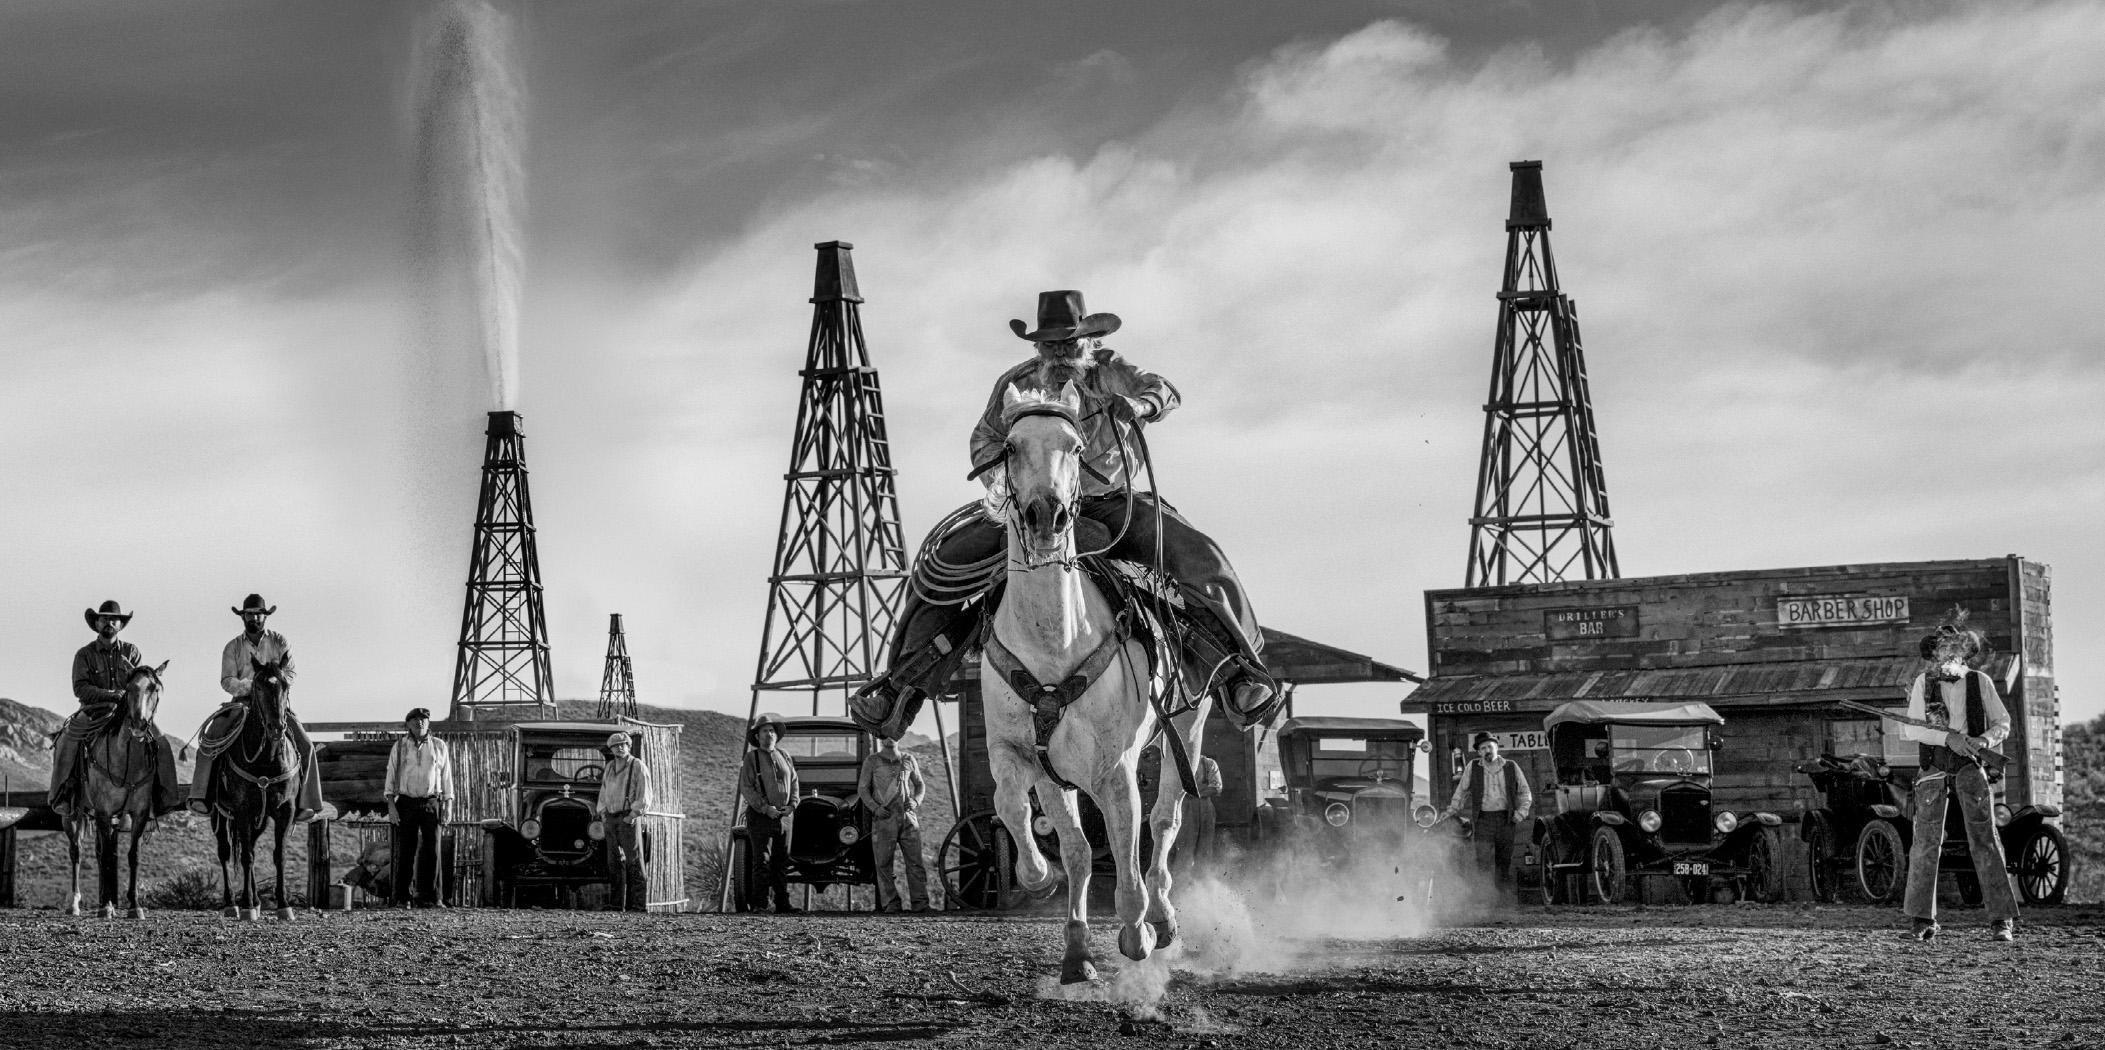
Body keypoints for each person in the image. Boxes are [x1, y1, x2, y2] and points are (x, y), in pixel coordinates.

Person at [852, 290, 1278, 739]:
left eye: (1067, 343)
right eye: (1048, 344)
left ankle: (1239, 674)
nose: (1058, 352)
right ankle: (900, 688)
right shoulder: (1015, 383)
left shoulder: (1111, 371)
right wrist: (1010, 471)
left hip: (1110, 503)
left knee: (1196, 554)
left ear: (1087, 341)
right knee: (942, 569)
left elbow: (1165, 391)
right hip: (1028, 507)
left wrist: (1139, 406)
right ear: (1036, 346)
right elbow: (983, 438)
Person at [1899, 621, 2018, 942]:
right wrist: (1946, 737)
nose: (1946, 655)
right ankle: (1922, 921)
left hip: (1970, 766)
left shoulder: (1980, 682)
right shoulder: (1925, 683)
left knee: (1985, 840)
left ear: (1964, 653)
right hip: (1934, 770)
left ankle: (2001, 920)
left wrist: (1983, 742)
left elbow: (2002, 723)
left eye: (1953, 648)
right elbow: (1910, 729)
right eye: (1942, 649)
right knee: (1925, 844)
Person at [189, 594, 323, 820]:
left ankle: (304, 804)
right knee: (211, 738)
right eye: (249, 614)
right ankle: (202, 796)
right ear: (243, 617)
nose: (254, 617)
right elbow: (227, 680)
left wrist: (272, 683)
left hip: (274, 703)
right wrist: (251, 686)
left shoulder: (280, 641)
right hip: (243, 703)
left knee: (306, 744)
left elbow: (290, 672)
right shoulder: (233, 646)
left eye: (258, 614)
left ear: (265, 617)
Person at [53, 600, 181, 820]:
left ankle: (165, 795)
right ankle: (63, 793)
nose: (109, 623)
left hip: (128, 711)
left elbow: (140, 683)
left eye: (114, 620)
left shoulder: (132, 652)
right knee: (67, 738)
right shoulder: (84, 654)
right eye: (104, 619)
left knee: (161, 741)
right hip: (93, 710)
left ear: (120, 625)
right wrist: (111, 695)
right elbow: (80, 688)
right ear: (97, 624)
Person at [1442, 732, 1533, 909]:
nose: (1486, 750)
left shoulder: (1511, 766)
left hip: (1507, 819)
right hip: (1483, 820)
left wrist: (1521, 813)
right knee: (1482, 860)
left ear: (1496, 747)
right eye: (1482, 748)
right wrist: (1451, 811)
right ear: (1478, 753)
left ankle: (1503, 902)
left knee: (1504, 861)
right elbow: (1462, 791)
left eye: (1489, 746)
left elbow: (1525, 792)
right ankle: (1484, 901)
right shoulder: (1473, 767)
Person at [384, 707, 453, 909]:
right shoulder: (400, 746)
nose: (420, 723)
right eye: (415, 720)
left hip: (431, 801)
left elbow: (446, 776)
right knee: (406, 850)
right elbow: (391, 774)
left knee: (433, 850)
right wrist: (391, 805)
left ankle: (432, 897)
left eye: (423, 720)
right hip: (406, 801)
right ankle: (402, 897)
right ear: (408, 724)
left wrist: (448, 804)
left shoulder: (439, 746)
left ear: (428, 723)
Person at [856, 735, 930, 912]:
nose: (890, 738)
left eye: (894, 735)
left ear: (900, 736)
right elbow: (863, 788)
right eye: (886, 735)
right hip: (884, 819)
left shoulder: (908, 759)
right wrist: (874, 808)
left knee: (915, 863)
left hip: (907, 817)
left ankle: (920, 904)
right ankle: (891, 904)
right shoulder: (872, 761)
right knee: (883, 864)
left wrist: (916, 801)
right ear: (880, 738)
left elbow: (920, 784)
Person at [737, 713, 800, 913]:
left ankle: (783, 904)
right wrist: (765, 808)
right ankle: (760, 904)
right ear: (757, 736)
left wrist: (792, 805)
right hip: (760, 817)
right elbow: (746, 787)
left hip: (784, 817)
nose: (769, 734)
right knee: (761, 861)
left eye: (771, 731)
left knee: (781, 862)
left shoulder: (785, 756)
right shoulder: (751, 758)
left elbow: (794, 782)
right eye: (764, 731)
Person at [597, 731, 653, 913]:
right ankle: (616, 905)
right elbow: (603, 792)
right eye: (616, 745)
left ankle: (637, 906)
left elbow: (645, 795)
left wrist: (633, 815)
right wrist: (603, 813)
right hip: (611, 818)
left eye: (623, 744)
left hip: (628, 817)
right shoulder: (610, 767)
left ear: (629, 746)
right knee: (614, 864)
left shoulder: (637, 766)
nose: (620, 748)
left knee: (635, 862)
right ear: (611, 749)